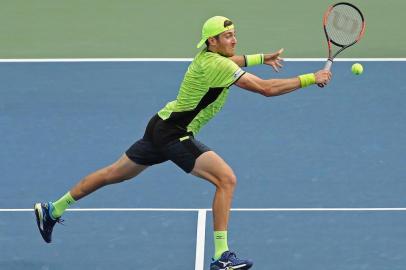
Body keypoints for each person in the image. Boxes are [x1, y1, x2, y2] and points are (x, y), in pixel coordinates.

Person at [34, 16, 331, 270]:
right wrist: (311, 77)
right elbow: (266, 89)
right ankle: (221, 257)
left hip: (160, 124)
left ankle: (54, 208)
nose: (233, 40)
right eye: (226, 36)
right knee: (226, 179)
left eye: (234, 34)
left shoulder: (207, 58)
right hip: (175, 133)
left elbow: (235, 61)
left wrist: (262, 58)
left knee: (114, 173)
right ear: (212, 42)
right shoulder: (220, 67)